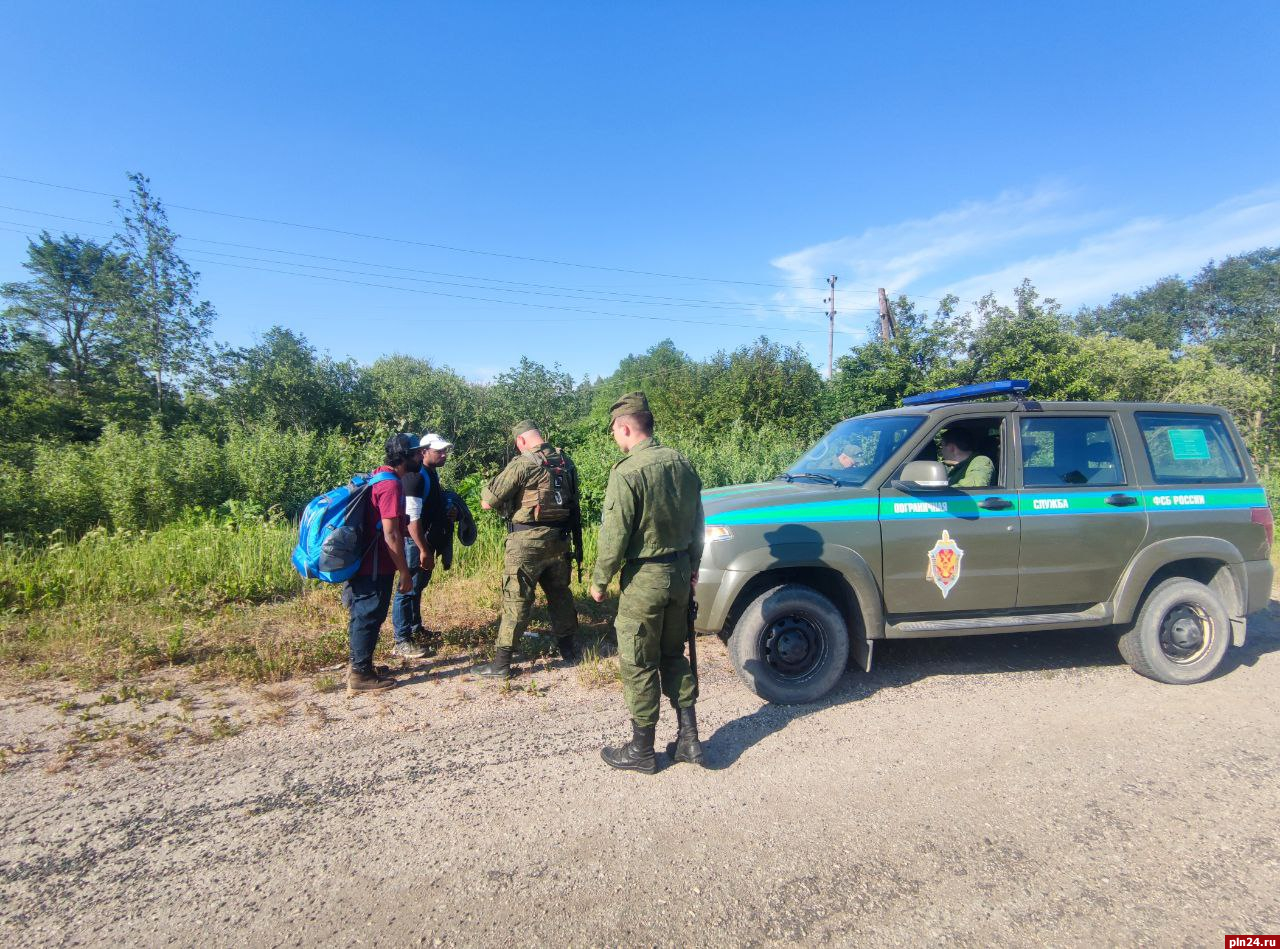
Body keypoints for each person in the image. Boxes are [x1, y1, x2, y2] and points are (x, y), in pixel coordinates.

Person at [591, 392, 705, 773]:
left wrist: (600, 579)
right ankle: (689, 739)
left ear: (625, 427)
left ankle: (641, 751)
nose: (614, 438)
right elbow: (698, 524)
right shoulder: (682, 463)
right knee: (674, 654)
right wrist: (693, 567)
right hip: (678, 575)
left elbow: (615, 535)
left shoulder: (627, 472)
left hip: (645, 579)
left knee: (639, 662)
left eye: (614, 432)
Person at [473, 420, 582, 679]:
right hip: (558, 539)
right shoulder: (565, 462)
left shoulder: (523, 462)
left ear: (520, 441)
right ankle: (569, 650)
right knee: (560, 595)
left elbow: (488, 502)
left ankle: (501, 664)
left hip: (526, 542)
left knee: (517, 598)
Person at [344, 433, 417, 694]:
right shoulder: (391, 485)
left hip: (365, 561)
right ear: (405, 456)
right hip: (375, 565)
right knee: (369, 615)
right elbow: (391, 533)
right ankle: (360, 674)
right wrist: (405, 572)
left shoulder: (379, 475)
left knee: (363, 614)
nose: (421, 456)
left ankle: (361, 666)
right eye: (417, 453)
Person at [392, 432, 454, 658]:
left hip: (425, 542)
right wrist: (423, 550)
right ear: (423, 451)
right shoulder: (415, 478)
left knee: (417, 587)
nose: (444, 454)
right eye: (439, 451)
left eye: (445, 450)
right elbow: (412, 519)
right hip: (415, 544)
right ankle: (401, 640)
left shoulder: (429, 474)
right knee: (406, 589)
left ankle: (415, 628)